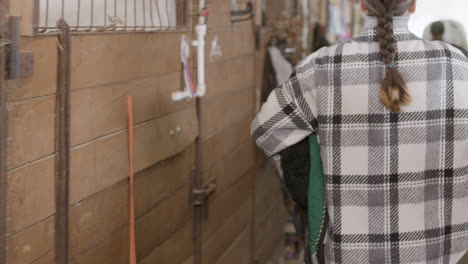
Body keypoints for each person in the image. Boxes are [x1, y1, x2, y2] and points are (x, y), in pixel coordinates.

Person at [251, 0, 468, 263]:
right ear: (413, 6)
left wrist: (318, 166)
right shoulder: (456, 65)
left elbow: (266, 131)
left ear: (362, 5)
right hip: (439, 250)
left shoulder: (321, 66)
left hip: (349, 252)